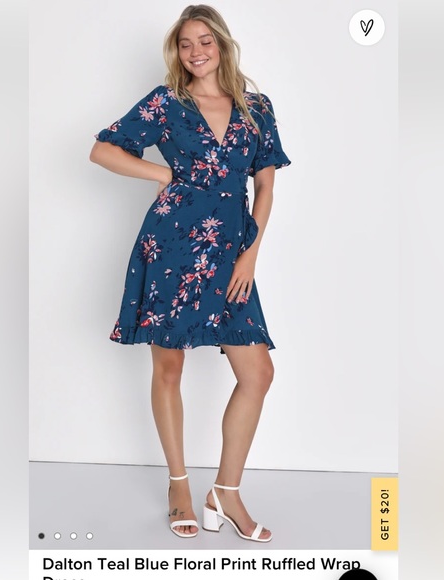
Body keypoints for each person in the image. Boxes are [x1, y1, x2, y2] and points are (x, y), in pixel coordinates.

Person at [90, 4, 290, 542]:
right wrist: (162, 174)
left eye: (205, 41)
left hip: (231, 253)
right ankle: (178, 485)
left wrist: (250, 255)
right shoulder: (166, 103)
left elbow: (265, 185)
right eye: (185, 44)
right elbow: (102, 150)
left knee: (257, 373)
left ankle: (225, 492)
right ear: (176, 52)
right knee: (169, 368)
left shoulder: (256, 108)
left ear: (222, 45)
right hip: (172, 245)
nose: (196, 51)